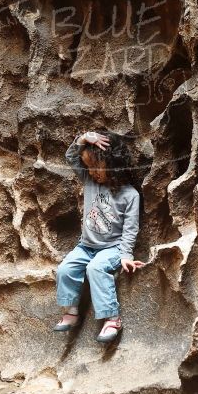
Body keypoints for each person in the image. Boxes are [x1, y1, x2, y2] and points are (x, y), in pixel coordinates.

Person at [54, 130, 145, 343]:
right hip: (86, 246)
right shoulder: (89, 181)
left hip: (112, 247)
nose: (91, 171)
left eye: (96, 166)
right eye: (88, 167)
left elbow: (130, 229)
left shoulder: (130, 195)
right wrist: (84, 138)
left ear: (112, 164)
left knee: (95, 268)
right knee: (65, 269)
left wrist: (126, 255)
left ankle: (112, 318)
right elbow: (71, 156)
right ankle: (72, 310)